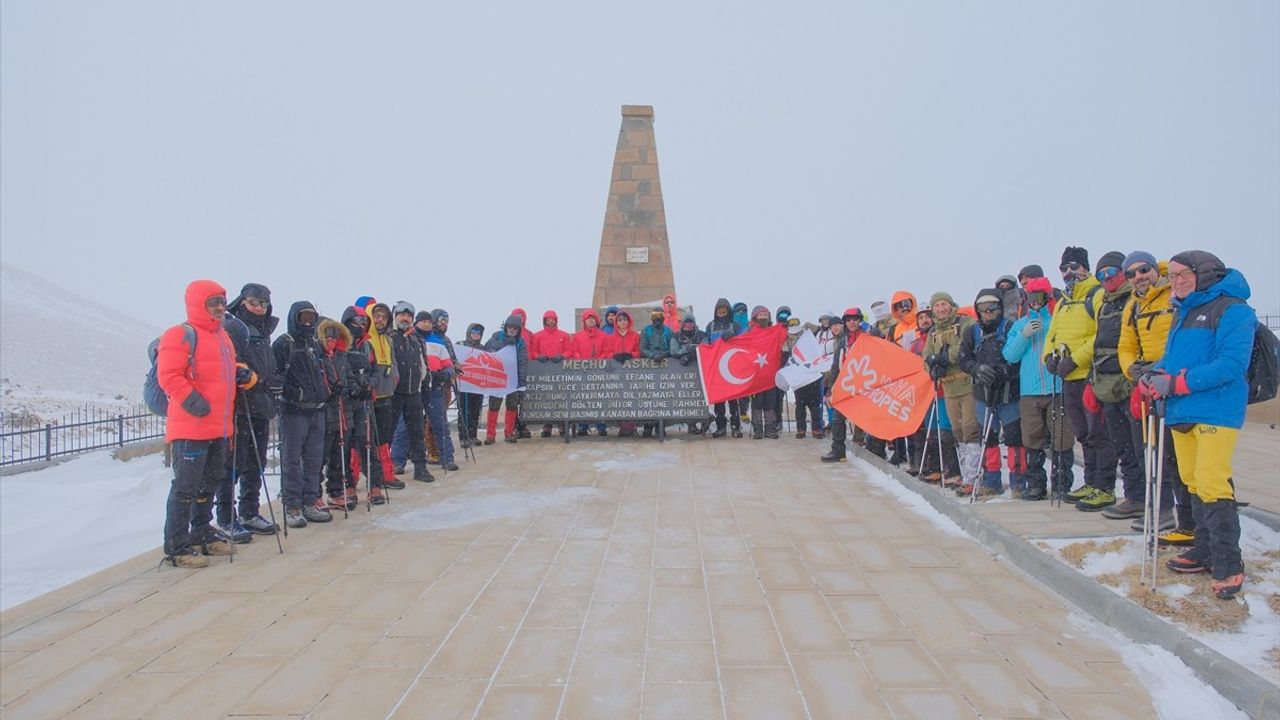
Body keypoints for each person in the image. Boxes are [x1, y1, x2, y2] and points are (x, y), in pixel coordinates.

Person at [1149, 251, 1254, 600]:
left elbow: (1231, 364)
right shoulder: (1185, 311)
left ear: (1205, 273)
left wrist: (1178, 383)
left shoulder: (1232, 309)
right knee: (1192, 478)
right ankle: (1203, 549)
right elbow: (1174, 359)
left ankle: (1228, 562)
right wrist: (1154, 373)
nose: (1177, 282)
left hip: (1215, 409)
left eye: (1184, 274)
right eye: (1173, 276)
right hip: (1183, 410)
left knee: (1211, 479)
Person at [157, 280, 239, 567]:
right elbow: (168, 375)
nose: (219, 307)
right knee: (185, 487)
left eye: (222, 301)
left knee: (210, 484)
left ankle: (202, 532)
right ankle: (176, 545)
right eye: (213, 302)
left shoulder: (223, 338)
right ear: (197, 304)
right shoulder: (181, 334)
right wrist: (194, 401)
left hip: (219, 426)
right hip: (192, 427)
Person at [1118, 251, 1185, 541]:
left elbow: (1185, 338)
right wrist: (1131, 368)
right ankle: (1161, 508)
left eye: (1143, 269)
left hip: (1176, 382)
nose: (1138, 277)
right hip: (1146, 384)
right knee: (1151, 449)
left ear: (1154, 269)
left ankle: (1189, 518)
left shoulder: (1175, 296)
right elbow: (1126, 344)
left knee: (1177, 453)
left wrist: (1163, 367)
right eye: (1131, 274)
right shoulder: (1133, 305)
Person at [1044, 247, 1110, 506]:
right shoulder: (1063, 301)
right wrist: (1049, 357)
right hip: (1067, 377)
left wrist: (1075, 359)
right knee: (1082, 432)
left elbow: (1101, 334)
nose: (1069, 273)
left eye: (1074, 267)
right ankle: (1091, 482)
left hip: (1090, 375)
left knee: (1098, 432)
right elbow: (1053, 334)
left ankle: (1103, 486)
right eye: (1064, 268)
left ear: (1086, 268)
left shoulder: (1096, 295)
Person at [1003, 277, 1074, 501]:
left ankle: (1062, 483)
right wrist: (1024, 335)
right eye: (1031, 297)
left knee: (1062, 437)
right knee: (1032, 438)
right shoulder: (1019, 324)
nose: (1036, 302)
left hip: (1057, 387)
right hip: (1030, 390)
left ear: (1048, 297)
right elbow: (1010, 355)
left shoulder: (1058, 319)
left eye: (1040, 297)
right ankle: (1035, 484)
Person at [1082, 251, 1141, 513]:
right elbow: (1098, 344)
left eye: (1112, 272)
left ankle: (1145, 499)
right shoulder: (1105, 304)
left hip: (1131, 383)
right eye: (1101, 274)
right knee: (1122, 447)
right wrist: (1091, 380)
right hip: (1106, 384)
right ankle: (1133, 497)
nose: (1107, 278)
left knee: (1139, 446)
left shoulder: (1136, 300)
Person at [219, 283, 279, 538]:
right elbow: (225, 360)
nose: (259, 307)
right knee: (233, 464)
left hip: (260, 404)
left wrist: (274, 381)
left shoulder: (264, 332)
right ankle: (225, 517)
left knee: (256, 462)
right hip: (240, 405)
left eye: (263, 304)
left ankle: (249, 511)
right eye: (254, 302)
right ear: (242, 302)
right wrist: (241, 373)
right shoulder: (232, 326)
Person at [272, 301, 333, 528]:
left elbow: (323, 371)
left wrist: (328, 391)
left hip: (317, 408)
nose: (307, 322)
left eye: (311, 317)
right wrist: (291, 393)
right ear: (294, 318)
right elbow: (275, 376)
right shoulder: (284, 343)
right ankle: (292, 505)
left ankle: (310, 501)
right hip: (294, 411)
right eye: (303, 318)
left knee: (314, 460)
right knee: (292, 459)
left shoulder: (315, 343)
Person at [958, 289, 1022, 499]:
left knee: (1014, 437)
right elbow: (963, 359)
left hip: (1008, 392)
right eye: (983, 309)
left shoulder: (1010, 327)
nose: (988, 313)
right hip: (982, 393)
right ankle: (992, 480)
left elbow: (1019, 355)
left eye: (992, 308)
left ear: (1000, 308)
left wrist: (1005, 370)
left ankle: (1018, 481)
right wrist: (977, 369)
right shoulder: (973, 332)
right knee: (989, 437)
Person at [923, 292, 979, 490]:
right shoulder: (933, 331)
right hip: (948, 386)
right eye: (937, 305)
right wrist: (932, 365)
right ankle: (965, 475)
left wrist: (945, 358)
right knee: (958, 432)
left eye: (944, 304)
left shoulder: (965, 323)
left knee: (971, 430)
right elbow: (926, 355)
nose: (941, 309)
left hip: (967, 383)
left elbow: (964, 346)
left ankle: (973, 478)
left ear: (950, 304)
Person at [387, 302, 433, 482]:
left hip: (414, 392)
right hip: (394, 394)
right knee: (388, 433)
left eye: (408, 316)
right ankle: (386, 471)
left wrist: (426, 386)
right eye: (401, 315)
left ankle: (420, 468)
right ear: (395, 317)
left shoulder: (416, 340)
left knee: (416, 432)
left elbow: (424, 365)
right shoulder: (389, 337)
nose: (405, 319)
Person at [340, 305, 381, 506]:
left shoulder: (367, 345)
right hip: (347, 400)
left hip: (364, 400)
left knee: (366, 442)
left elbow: (375, 368)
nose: (362, 325)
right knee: (345, 444)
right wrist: (354, 387)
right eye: (359, 322)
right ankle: (347, 485)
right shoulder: (342, 344)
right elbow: (341, 368)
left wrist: (370, 384)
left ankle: (374, 485)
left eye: (365, 322)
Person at [317, 316, 356, 511]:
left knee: (339, 455)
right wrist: (331, 391)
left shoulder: (341, 357)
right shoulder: (319, 357)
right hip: (326, 413)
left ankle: (335, 491)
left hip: (343, 412)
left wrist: (357, 389)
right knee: (319, 456)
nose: (331, 339)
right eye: (328, 335)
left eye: (335, 335)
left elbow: (349, 378)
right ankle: (315, 494)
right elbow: (316, 382)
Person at [365, 301, 404, 494]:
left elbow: (393, 363)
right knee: (364, 440)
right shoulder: (365, 339)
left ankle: (386, 474)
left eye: (383, 317)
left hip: (387, 395)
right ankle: (356, 478)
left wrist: (394, 379)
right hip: (368, 398)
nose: (380, 320)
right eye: (376, 316)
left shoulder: (388, 340)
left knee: (384, 438)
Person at [820, 308, 866, 462]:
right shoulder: (843, 341)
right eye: (848, 319)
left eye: (854, 319)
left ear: (859, 320)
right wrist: (831, 388)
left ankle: (876, 448)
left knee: (866, 418)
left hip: (865, 383)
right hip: (845, 383)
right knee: (838, 419)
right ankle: (838, 450)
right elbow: (835, 367)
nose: (852, 322)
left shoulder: (869, 337)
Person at [485, 315, 529, 443]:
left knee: (512, 405)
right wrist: (503, 343)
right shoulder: (497, 336)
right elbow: (488, 347)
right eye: (510, 327)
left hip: (513, 379)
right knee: (494, 405)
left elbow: (522, 363)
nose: (512, 330)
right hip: (497, 377)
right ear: (505, 327)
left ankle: (509, 433)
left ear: (519, 329)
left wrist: (521, 383)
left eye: (515, 328)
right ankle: (490, 435)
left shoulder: (521, 343)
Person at [422, 312, 457, 471]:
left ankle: (443, 453)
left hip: (444, 383)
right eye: (441, 320)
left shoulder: (445, 340)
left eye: (446, 320)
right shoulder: (426, 338)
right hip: (428, 384)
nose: (444, 323)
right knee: (431, 420)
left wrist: (452, 370)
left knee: (439, 417)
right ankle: (433, 451)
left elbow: (451, 359)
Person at [705, 298, 743, 438]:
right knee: (719, 400)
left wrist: (733, 336)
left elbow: (744, 340)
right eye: (719, 310)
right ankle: (721, 426)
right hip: (716, 368)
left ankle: (735, 426)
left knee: (734, 401)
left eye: (724, 309)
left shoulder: (735, 325)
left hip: (731, 367)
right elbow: (706, 341)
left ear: (728, 311)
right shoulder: (711, 326)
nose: (721, 312)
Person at [532, 310, 573, 437]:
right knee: (546, 399)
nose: (550, 321)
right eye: (548, 319)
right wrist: (538, 356)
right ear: (544, 321)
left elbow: (569, 350)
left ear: (556, 320)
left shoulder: (564, 335)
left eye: (552, 319)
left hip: (560, 370)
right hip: (544, 372)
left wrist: (562, 356)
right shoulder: (537, 336)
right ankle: (547, 426)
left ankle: (561, 425)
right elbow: (533, 351)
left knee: (560, 398)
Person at [745, 306, 781, 439]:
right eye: (760, 314)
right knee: (757, 403)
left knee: (769, 403)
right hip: (756, 375)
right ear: (755, 316)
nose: (763, 316)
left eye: (765, 314)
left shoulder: (774, 331)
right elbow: (742, 345)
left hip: (770, 374)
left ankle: (770, 429)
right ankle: (758, 429)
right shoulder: (750, 332)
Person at [571, 310, 609, 436]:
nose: (591, 320)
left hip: (599, 371)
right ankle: (583, 425)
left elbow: (606, 350)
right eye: (588, 318)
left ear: (597, 320)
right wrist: (581, 362)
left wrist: (598, 362)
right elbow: (574, 351)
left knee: (599, 399)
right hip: (583, 371)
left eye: (593, 318)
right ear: (584, 321)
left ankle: (601, 425)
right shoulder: (578, 336)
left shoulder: (604, 336)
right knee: (583, 400)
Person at [603, 310, 641, 436]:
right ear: (616, 323)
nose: (622, 322)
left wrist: (631, 355)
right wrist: (615, 356)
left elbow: (639, 352)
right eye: (619, 320)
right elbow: (607, 353)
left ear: (629, 321)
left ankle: (631, 425)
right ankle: (622, 425)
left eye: (625, 319)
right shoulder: (610, 337)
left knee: (631, 398)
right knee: (618, 399)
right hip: (616, 373)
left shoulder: (635, 336)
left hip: (632, 372)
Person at [670, 312, 708, 434]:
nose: (688, 325)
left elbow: (706, 346)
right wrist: (686, 350)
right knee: (687, 398)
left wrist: (692, 352)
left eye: (690, 322)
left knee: (701, 396)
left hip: (700, 370)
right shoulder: (676, 335)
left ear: (694, 324)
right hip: (682, 371)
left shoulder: (701, 334)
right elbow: (673, 351)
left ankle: (704, 420)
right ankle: (691, 425)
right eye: (686, 322)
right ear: (682, 324)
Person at [640, 308, 675, 437]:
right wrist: (652, 355)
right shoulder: (646, 331)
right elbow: (642, 348)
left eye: (659, 315)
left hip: (664, 366)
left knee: (663, 397)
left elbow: (672, 347)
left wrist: (664, 355)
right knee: (648, 397)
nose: (657, 318)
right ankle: (648, 425)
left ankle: (660, 426)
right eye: (654, 316)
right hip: (649, 366)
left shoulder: (669, 331)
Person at [457, 323, 486, 447]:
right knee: (464, 410)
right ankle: (463, 436)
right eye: (473, 332)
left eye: (478, 333)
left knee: (475, 410)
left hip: (478, 384)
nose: (476, 335)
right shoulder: (460, 345)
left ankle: (473, 435)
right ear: (469, 333)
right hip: (464, 384)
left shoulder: (482, 348)